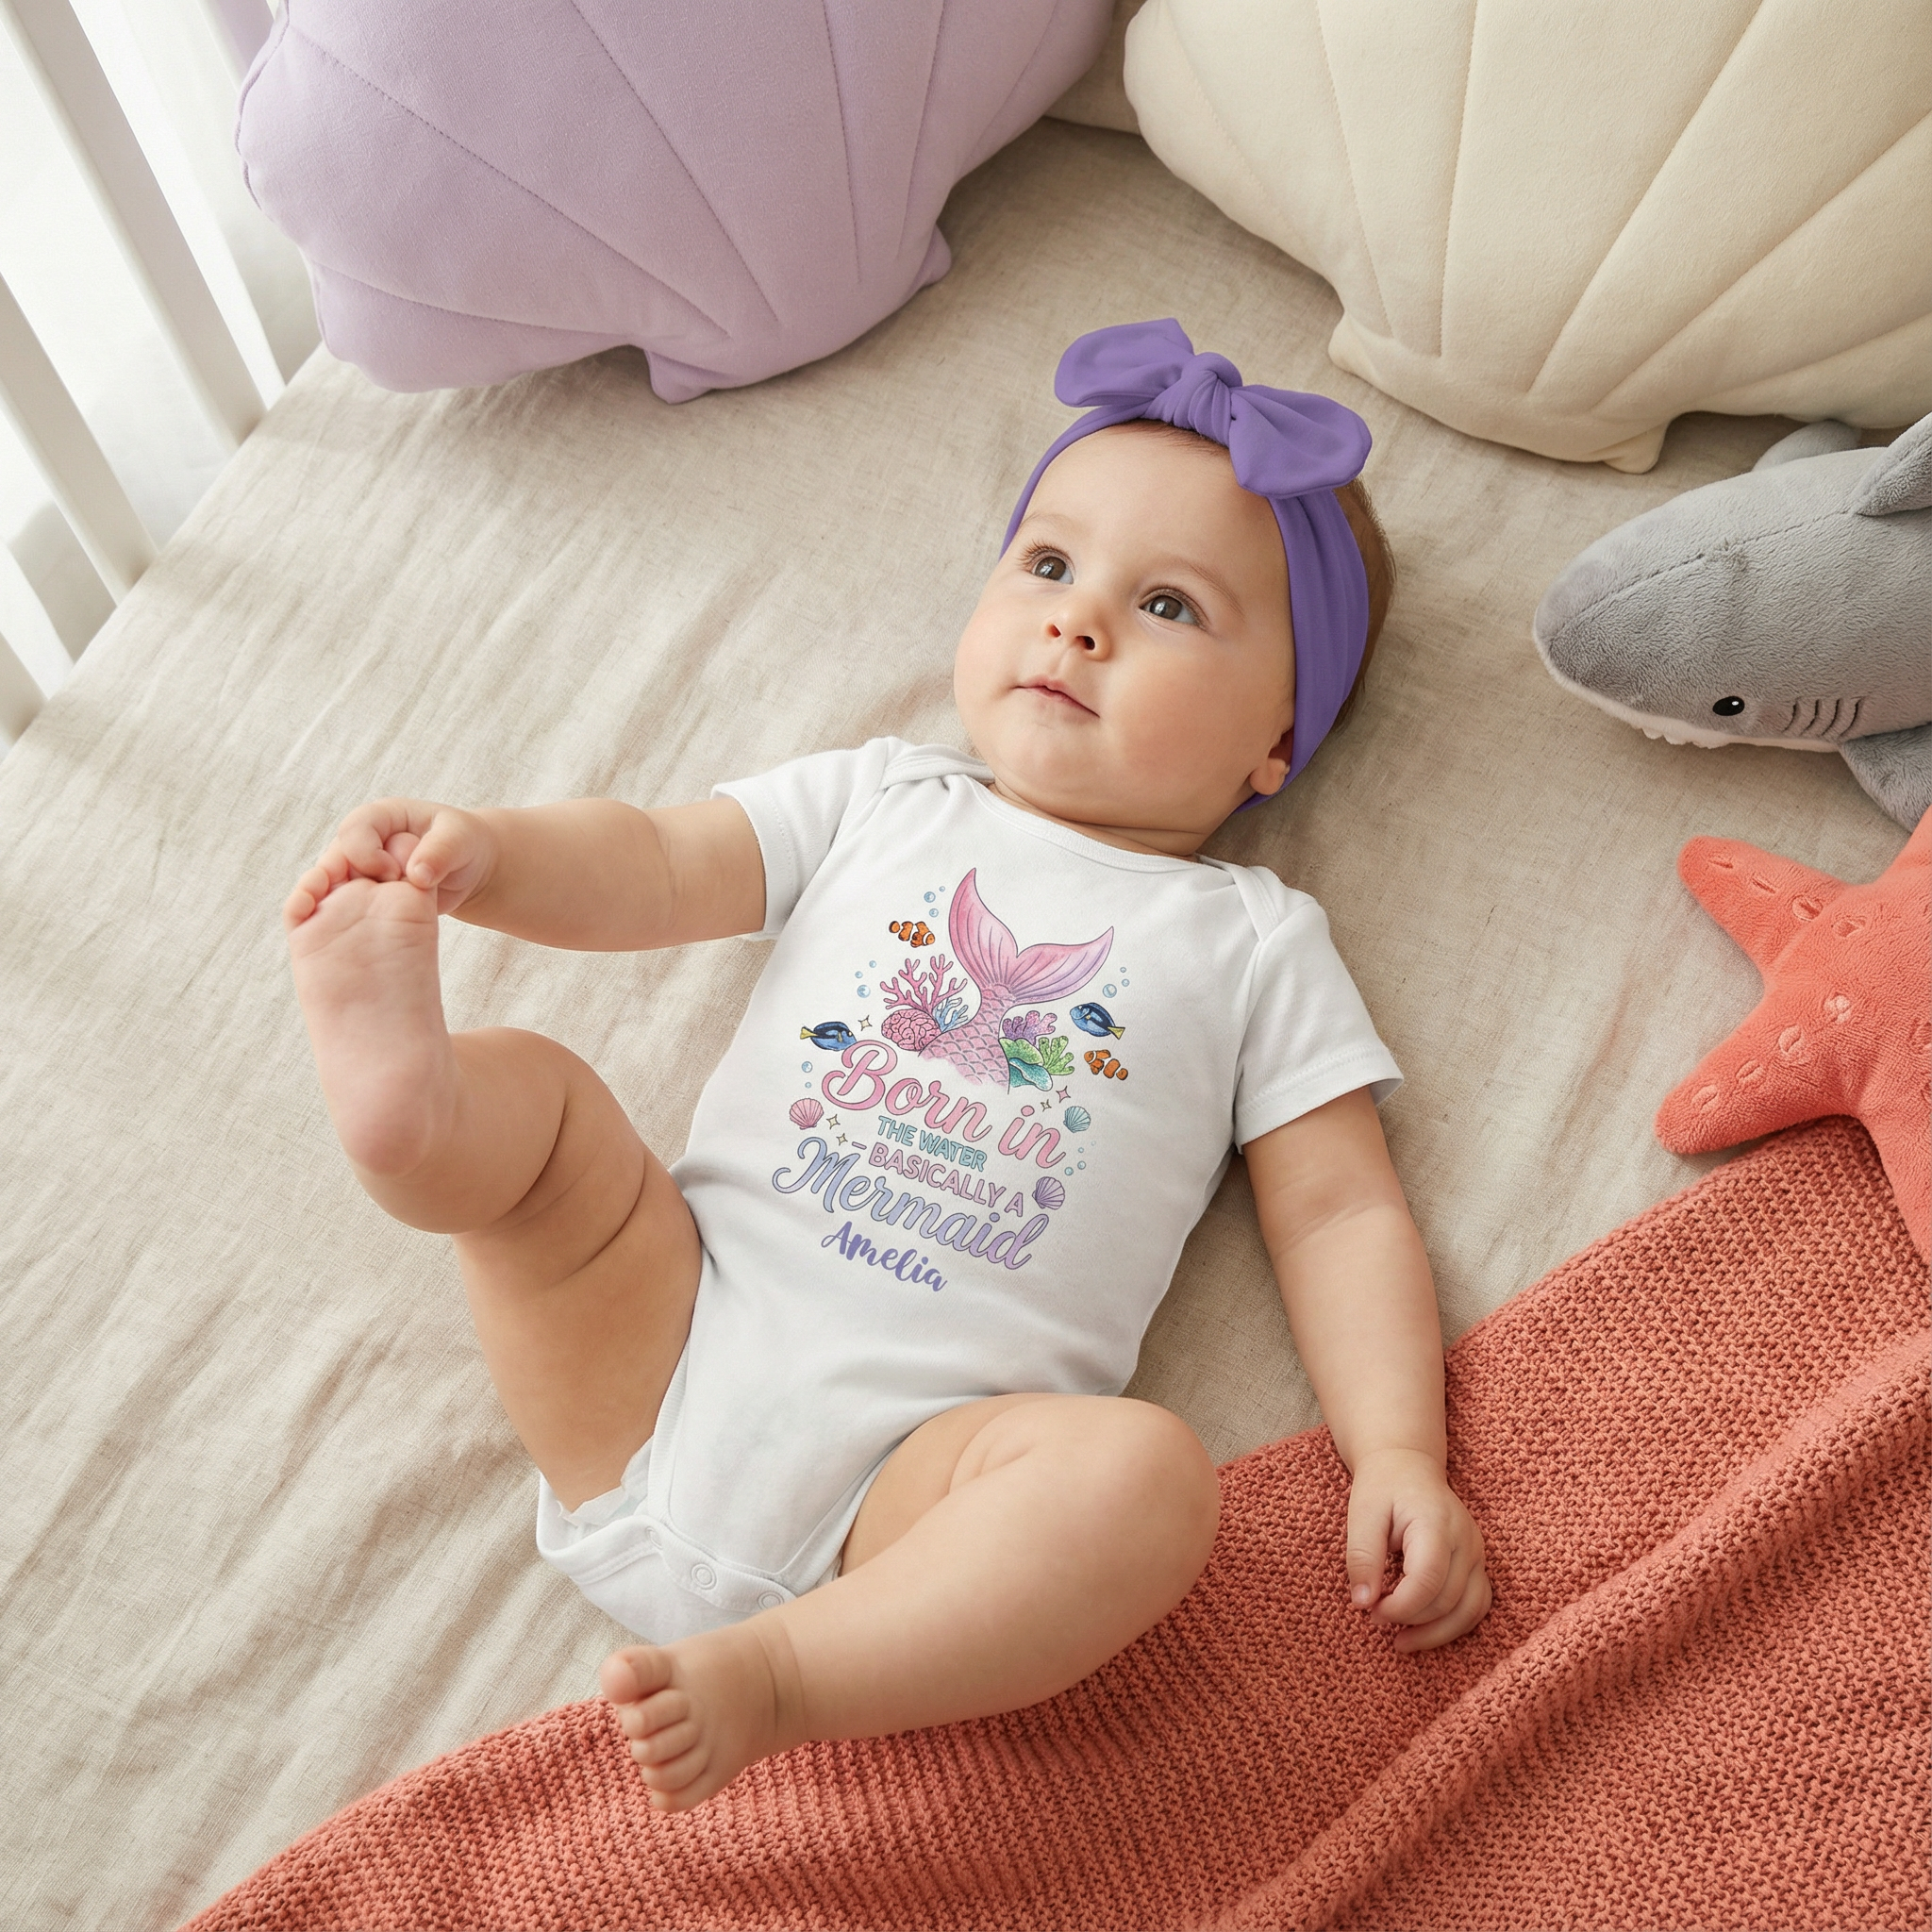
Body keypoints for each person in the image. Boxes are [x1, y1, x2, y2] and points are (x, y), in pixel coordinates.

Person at [284, 319, 1491, 1812]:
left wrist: (1397, 1451)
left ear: (1277, 742)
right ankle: (415, 1114)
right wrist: (496, 857)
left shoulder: (1254, 940)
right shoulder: (881, 799)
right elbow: (661, 863)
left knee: (1146, 1483)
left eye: (1168, 604)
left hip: (914, 1506)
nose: (1078, 623)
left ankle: (786, 1677)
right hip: (663, 1348)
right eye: (1047, 568)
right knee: (541, 1107)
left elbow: (1339, 1215)